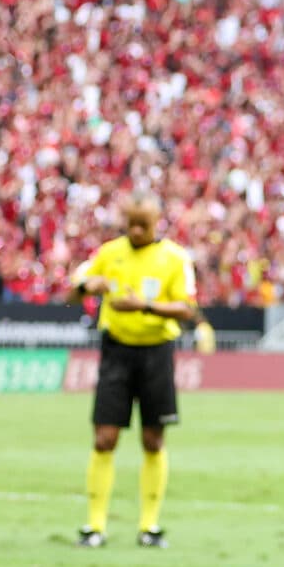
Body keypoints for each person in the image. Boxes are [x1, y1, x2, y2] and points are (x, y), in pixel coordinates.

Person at [69, 198, 197, 548]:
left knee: (153, 440)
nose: (137, 231)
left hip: (157, 353)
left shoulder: (175, 258)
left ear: (158, 222)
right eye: (131, 224)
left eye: (144, 225)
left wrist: (145, 306)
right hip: (117, 352)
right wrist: (84, 288)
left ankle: (149, 527)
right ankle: (95, 526)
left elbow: (188, 308)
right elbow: (72, 291)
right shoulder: (109, 253)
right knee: (104, 438)